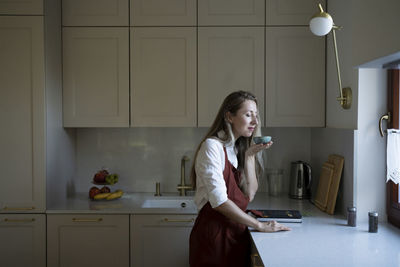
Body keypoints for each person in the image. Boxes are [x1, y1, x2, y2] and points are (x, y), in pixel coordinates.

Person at [189, 91, 290, 267]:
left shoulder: (235, 149)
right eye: (248, 114)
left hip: (236, 234)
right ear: (229, 116)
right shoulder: (212, 147)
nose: (255, 121)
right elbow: (220, 202)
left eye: (256, 115)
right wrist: (259, 225)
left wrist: (250, 156)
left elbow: (249, 195)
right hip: (214, 238)